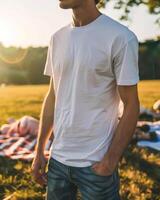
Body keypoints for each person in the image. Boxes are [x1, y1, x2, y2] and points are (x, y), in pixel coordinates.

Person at [31, 0, 140, 199]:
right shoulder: (57, 38)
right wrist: (40, 151)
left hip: (96, 163)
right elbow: (53, 95)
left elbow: (131, 105)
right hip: (58, 160)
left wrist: (110, 161)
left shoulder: (120, 37)